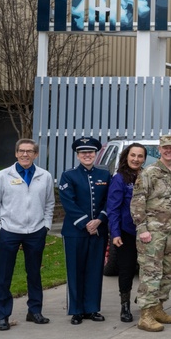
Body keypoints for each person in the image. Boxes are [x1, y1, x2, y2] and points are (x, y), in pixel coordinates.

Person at [0, 138, 55, 331]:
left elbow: (49, 203)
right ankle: (3, 315)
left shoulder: (45, 176)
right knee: (4, 275)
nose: (25, 154)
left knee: (34, 274)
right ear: (16, 153)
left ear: (36, 154)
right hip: (8, 231)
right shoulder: (2, 176)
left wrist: (46, 226)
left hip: (36, 231)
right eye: (22, 151)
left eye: (29, 151)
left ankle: (34, 311)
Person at [130, 134, 171, 332]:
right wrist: (142, 228)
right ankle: (145, 314)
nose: (169, 150)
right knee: (151, 272)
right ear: (159, 150)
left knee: (168, 272)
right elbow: (137, 201)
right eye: (165, 148)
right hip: (152, 232)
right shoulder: (149, 172)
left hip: (170, 231)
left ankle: (158, 307)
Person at [58, 137, 111, 325]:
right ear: (78, 155)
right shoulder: (68, 175)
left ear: (95, 154)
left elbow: (109, 201)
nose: (87, 155)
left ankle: (92, 308)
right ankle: (76, 310)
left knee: (95, 270)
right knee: (75, 270)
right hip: (75, 232)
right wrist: (86, 223)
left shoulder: (105, 175)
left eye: (90, 152)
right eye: (83, 153)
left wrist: (99, 220)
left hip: (98, 230)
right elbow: (68, 202)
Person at [106, 142, 147, 323]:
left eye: (140, 156)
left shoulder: (147, 176)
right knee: (127, 269)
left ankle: (146, 300)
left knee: (148, 268)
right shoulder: (120, 178)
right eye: (133, 155)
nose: (136, 159)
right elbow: (113, 208)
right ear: (126, 156)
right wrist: (115, 233)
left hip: (147, 231)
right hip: (127, 231)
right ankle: (125, 306)